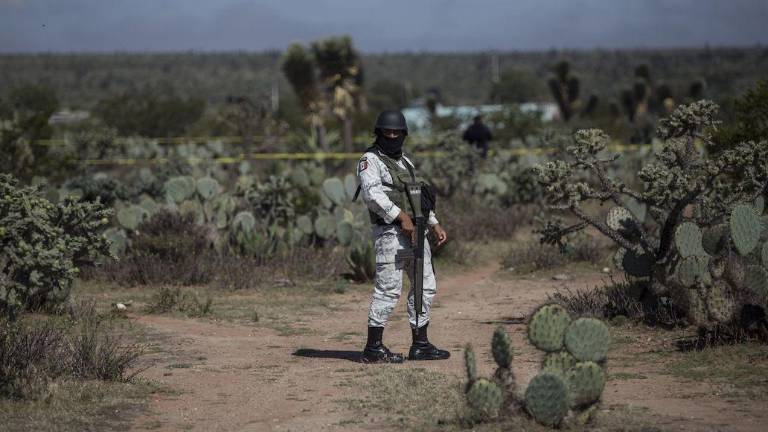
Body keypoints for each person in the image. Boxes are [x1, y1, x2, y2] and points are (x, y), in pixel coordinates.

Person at [356, 110, 450, 363]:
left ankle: (420, 344)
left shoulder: (405, 162)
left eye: (397, 132)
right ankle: (373, 348)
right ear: (379, 133)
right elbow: (372, 195)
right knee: (388, 290)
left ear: (404, 134)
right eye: (388, 132)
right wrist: (401, 217)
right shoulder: (370, 160)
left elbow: (416, 195)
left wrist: (434, 223)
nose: (393, 136)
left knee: (424, 287)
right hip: (390, 233)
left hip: (417, 233)